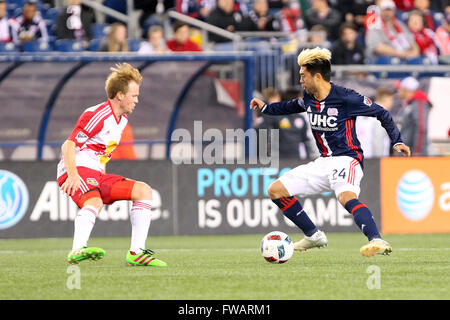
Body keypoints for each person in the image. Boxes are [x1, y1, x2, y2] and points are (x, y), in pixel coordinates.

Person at [250, 47, 411, 257]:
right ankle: (314, 235)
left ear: (317, 76)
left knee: (346, 197)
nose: (300, 80)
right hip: (323, 162)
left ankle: (376, 239)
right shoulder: (309, 98)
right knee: (276, 190)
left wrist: (397, 141)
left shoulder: (346, 98)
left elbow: (382, 113)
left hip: (347, 160)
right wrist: (265, 108)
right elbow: (290, 106)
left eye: (302, 76)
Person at [58, 63, 167, 267]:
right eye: (133, 96)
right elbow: (68, 145)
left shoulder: (122, 121)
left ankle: (136, 253)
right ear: (120, 95)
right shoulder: (98, 115)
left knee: (143, 191)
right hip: (76, 169)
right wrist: (73, 176)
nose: (136, 100)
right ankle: (77, 250)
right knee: (94, 203)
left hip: (96, 173)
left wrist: (100, 178)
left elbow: (102, 155)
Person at [394, 76, 431, 156]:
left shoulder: (419, 103)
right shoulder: (410, 104)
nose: (398, 91)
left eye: (400, 88)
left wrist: (418, 152)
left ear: (406, 90)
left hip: (414, 154)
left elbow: (421, 128)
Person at [356, 87, 395, 158]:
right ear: (387, 100)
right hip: (374, 160)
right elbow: (378, 140)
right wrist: (378, 160)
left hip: (359, 157)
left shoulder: (362, 113)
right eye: (391, 100)